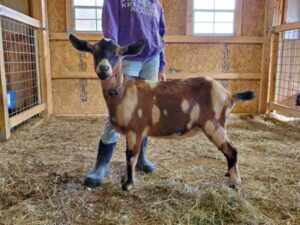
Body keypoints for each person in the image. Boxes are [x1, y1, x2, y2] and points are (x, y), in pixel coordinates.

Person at [84, 0, 166, 188]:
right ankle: (101, 165)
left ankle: (140, 157)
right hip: (126, 58)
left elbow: (160, 35)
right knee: (119, 111)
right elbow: (110, 28)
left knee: (144, 112)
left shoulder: (156, 3)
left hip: (151, 60)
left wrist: (162, 64)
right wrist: (113, 58)